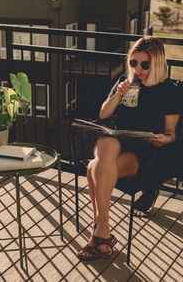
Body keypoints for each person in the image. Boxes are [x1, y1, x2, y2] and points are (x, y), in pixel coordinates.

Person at [77, 36, 182, 260]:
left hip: (143, 150)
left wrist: (164, 139)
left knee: (92, 169)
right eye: (134, 63)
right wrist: (118, 94)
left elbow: (172, 133)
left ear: (158, 64)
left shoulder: (169, 91)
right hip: (115, 142)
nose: (138, 68)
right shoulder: (126, 82)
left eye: (145, 64)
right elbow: (103, 114)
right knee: (106, 143)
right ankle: (103, 230)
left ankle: (99, 233)